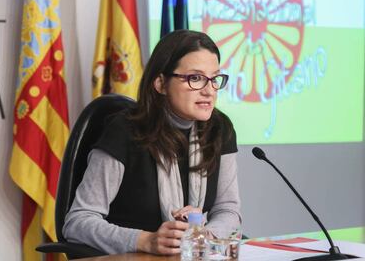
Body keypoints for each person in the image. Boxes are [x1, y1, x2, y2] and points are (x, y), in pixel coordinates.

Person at [63, 30, 241, 255]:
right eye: (195, 78)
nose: (209, 91)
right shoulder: (124, 132)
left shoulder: (220, 128)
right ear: (160, 83)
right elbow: (77, 222)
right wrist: (145, 240)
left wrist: (204, 236)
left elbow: (228, 209)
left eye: (214, 78)